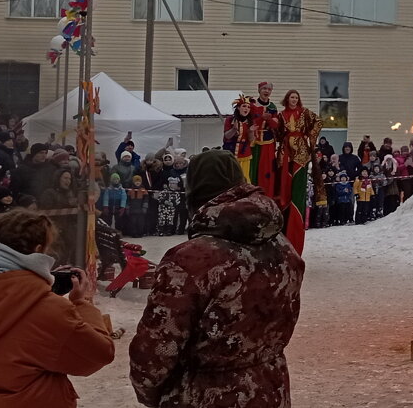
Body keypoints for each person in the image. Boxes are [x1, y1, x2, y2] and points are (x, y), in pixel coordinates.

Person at [130, 150, 305, 408]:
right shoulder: (283, 247)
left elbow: (154, 352)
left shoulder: (191, 260)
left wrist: (155, 395)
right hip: (269, 389)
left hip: (204, 395)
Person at [0, 209, 115, 407]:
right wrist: (81, 303)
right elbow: (99, 354)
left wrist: (34, 287)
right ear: (38, 250)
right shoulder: (47, 310)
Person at [276, 89, 321, 253]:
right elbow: (279, 133)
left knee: (298, 190)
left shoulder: (305, 113)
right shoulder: (281, 115)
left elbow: (319, 122)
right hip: (287, 152)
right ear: (287, 99)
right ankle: (286, 226)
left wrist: (310, 137)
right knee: (286, 187)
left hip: (301, 153)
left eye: (296, 97)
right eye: (291, 97)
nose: (294, 100)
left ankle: (297, 225)